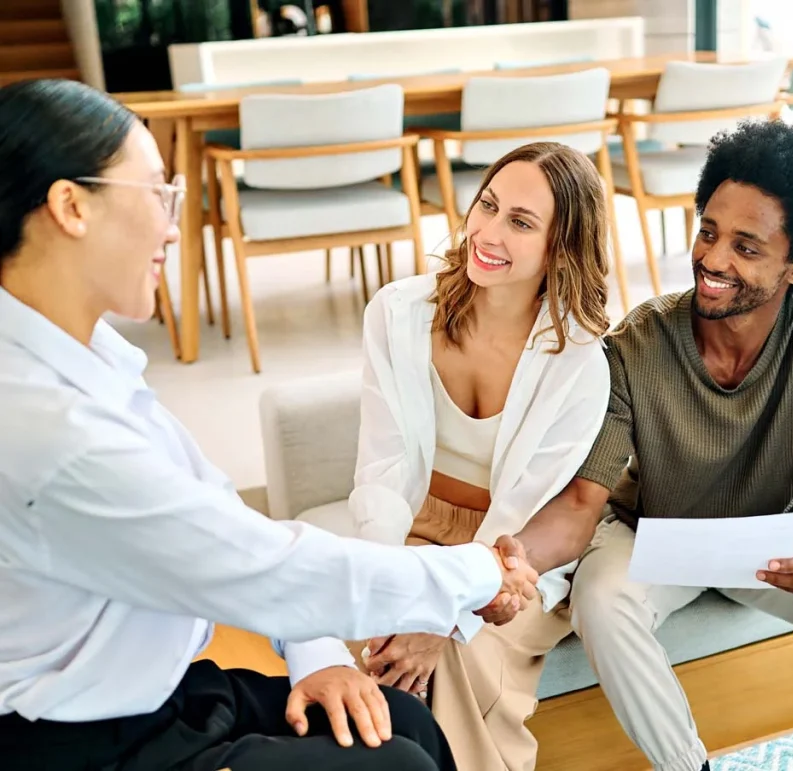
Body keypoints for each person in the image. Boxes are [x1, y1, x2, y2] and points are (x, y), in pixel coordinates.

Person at [0, 79, 539, 771]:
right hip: (73, 742)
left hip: (159, 696)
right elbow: (256, 568)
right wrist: (476, 573)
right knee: (394, 764)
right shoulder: (45, 426)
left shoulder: (86, 352)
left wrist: (318, 656)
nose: (173, 225)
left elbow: (222, 513)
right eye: (158, 194)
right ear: (71, 206)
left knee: (398, 720)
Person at [484, 119, 793, 771]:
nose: (713, 259)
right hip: (648, 531)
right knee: (601, 597)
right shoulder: (639, 341)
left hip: (766, 534)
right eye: (709, 231)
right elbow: (584, 499)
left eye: (746, 247)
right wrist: (502, 560)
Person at [322, 141, 613, 771]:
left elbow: (520, 513)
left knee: (451, 656)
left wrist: (442, 617)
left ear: (560, 248)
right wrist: (387, 588)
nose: (488, 231)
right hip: (412, 525)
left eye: (521, 222)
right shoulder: (399, 313)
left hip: (510, 557)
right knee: (374, 646)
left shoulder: (579, 362)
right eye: (488, 205)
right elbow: (382, 471)